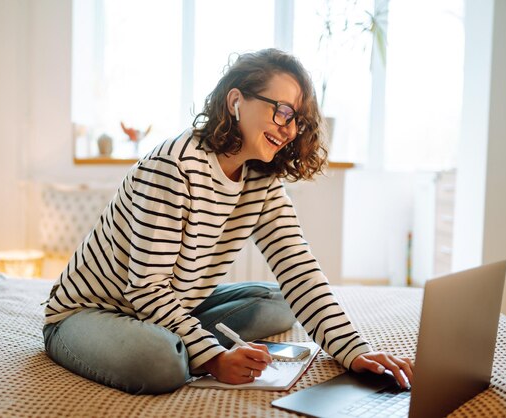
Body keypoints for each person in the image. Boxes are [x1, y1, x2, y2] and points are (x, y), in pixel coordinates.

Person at [43, 48, 413, 395]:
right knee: (161, 364)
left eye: (296, 120)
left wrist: (354, 350)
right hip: (91, 312)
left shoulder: (261, 178)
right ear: (236, 101)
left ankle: (178, 336)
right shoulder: (174, 166)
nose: (288, 129)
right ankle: (178, 343)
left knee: (279, 302)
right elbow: (145, 288)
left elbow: (299, 268)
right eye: (282, 111)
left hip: (173, 304)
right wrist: (214, 357)